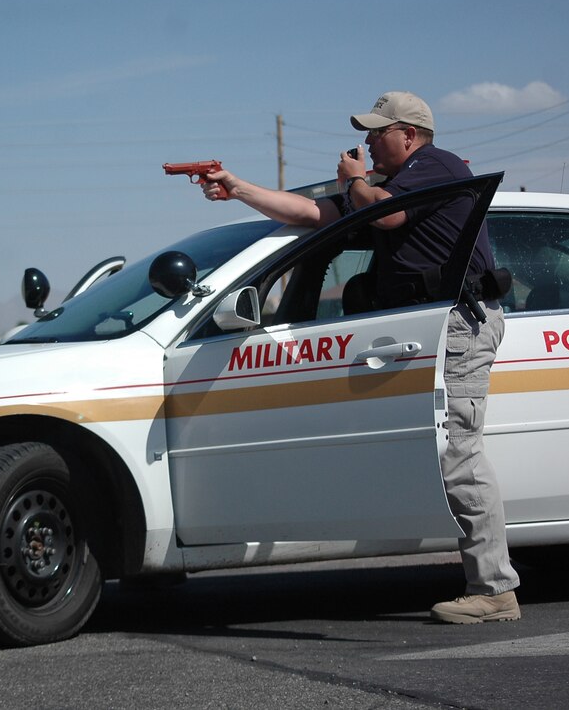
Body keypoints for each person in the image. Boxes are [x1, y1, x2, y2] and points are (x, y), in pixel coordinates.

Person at [198, 91, 521, 624]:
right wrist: (239, 188)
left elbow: (386, 219)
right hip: (421, 331)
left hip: (457, 326)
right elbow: (313, 214)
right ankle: (487, 581)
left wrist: (353, 180)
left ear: (409, 136)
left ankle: (495, 589)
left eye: (377, 132)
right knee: (432, 453)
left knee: (457, 454)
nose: (367, 142)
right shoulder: (390, 185)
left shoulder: (434, 167)